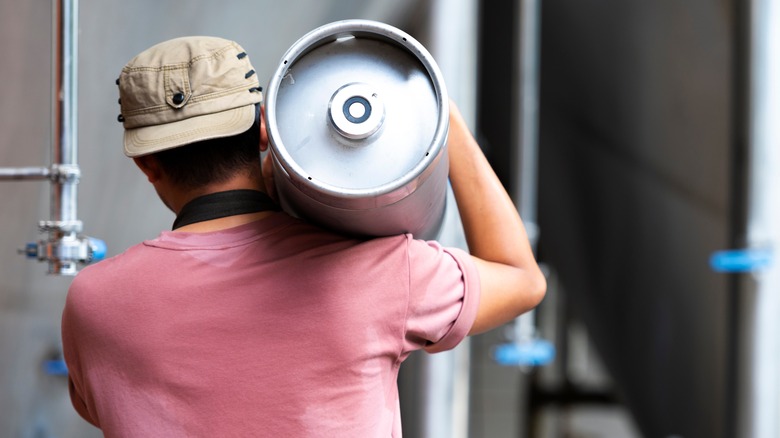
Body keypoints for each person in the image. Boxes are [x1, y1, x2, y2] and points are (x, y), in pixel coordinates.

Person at [61, 36, 545, 437]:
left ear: (147, 163)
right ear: (266, 131)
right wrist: (444, 119)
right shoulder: (381, 274)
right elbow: (522, 280)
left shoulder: (95, 305)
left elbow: (99, 406)